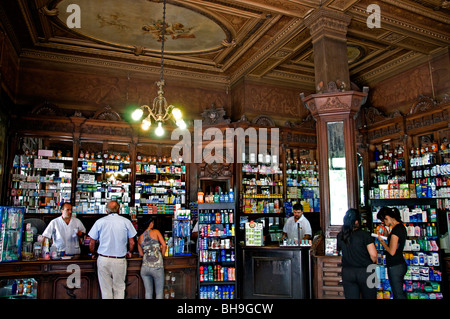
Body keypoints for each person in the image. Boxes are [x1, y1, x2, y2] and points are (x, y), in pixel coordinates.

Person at [88, 201, 137, 299]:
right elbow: (132, 242)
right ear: (119, 210)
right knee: (119, 289)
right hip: (119, 260)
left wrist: (93, 253)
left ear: (106, 211)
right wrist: (129, 252)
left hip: (103, 259)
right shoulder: (126, 221)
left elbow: (91, 243)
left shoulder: (100, 222)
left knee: (106, 290)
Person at [337, 208, 378, 299]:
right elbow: (374, 255)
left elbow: (339, 251)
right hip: (367, 271)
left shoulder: (340, 235)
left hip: (348, 272)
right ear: (356, 221)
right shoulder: (365, 235)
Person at [377, 206, 407, 299]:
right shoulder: (400, 227)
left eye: (383, 220)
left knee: (398, 294)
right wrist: (387, 236)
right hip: (399, 264)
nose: (384, 223)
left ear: (387, 217)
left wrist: (381, 241)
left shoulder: (396, 231)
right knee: (399, 292)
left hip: (395, 266)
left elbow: (392, 251)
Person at [137, 216, 166, 299]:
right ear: (150, 223)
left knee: (148, 293)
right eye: (152, 222)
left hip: (145, 268)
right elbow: (164, 245)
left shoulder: (140, 238)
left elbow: (141, 254)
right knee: (159, 293)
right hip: (157, 267)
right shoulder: (156, 232)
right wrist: (162, 255)